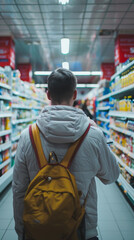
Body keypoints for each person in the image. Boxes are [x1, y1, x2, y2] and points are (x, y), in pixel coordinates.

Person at [12, 68, 120, 240]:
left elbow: (19, 190)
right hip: (82, 229)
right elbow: (112, 175)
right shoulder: (93, 135)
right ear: (75, 94)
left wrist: (21, 232)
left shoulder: (27, 136)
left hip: (38, 229)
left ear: (48, 95)